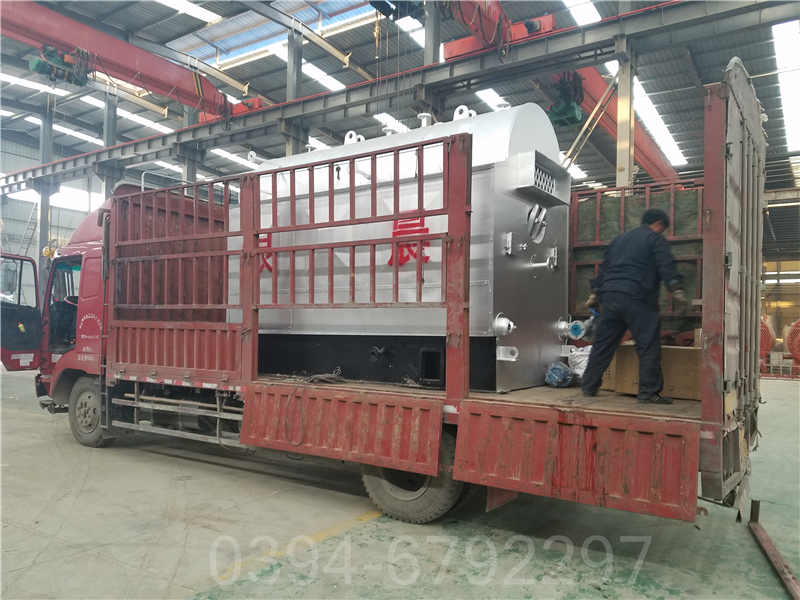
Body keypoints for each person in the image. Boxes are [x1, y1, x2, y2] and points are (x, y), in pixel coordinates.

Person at [581, 208, 688, 404]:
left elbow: (604, 268)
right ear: (658, 224)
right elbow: (665, 264)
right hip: (638, 297)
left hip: (610, 297)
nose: (662, 232)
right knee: (648, 346)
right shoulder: (655, 239)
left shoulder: (618, 240)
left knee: (603, 344)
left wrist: (595, 293)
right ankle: (648, 393)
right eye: (663, 229)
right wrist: (677, 289)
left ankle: (589, 386)